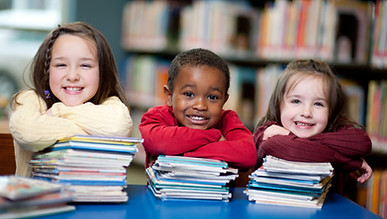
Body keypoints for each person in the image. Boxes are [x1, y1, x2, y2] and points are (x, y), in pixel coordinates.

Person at [9, 22, 133, 177]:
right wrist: (90, 134)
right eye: (61, 65)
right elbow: (27, 132)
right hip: (37, 200)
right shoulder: (30, 99)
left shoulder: (110, 104)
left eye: (85, 66)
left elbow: (119, 126)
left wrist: (58, 111)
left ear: (103, 71)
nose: (72, 76)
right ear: (47, 70)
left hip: (93, 198)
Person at [253, 59, 372, 192]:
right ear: (278, 104)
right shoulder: (267, 132)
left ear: (331, 110)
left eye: (318, 104)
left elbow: (362, 143)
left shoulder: (331, 126)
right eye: (296, 101)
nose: (306, 112)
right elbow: (293, 150)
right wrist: (348, 162)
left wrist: (289, 135)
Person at [139, 48, 257, 180]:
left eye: (213, 97)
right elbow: (157, 142)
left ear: (224, 100)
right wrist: (214, 136)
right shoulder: (157, 116)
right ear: (169, 96)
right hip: (167, 198)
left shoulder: (227, 119)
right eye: (189, 94)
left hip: (217, 198)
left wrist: (178, 153)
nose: (200, 106)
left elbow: (247, 154)